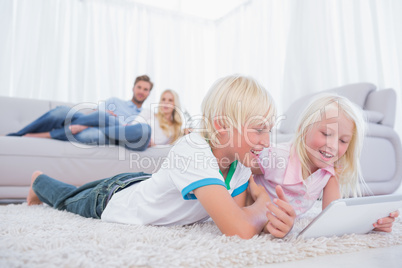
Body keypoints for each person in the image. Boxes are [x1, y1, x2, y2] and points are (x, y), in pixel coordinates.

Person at [26, 74, 296, 239]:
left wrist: (271, 218)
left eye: (269, 131)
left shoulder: (241, 163)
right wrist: (262, 204)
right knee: (68, 199)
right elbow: (239, 228)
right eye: (259, 130)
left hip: (145, 184)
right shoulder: (193, 151)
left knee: (81, 191)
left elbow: (236, 215)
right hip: (113, 199)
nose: (267, 141)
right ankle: (39, 181)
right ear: (222, 126)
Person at [251, 93, 399, 232]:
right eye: (326, 134)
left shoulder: (329, 172)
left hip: (282, 223)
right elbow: (241, 171)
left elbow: (333, 217)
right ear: (303, 130)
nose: (333, 146)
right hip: (253, 216)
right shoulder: (277, 157)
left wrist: (372, 223)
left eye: (343, 141)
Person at [7, 75, 153, 151]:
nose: (141, 91)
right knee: (61, 112)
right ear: (133, 88)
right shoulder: (115, 101)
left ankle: (46, 135)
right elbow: (95, 115)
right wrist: (89, 123)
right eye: (139, 87)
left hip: (112, 134)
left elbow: (145, 138)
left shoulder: (145, 114)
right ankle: (18, 135)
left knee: (92, 134)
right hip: (95, 122)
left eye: (145, 89)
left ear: (148, 93)